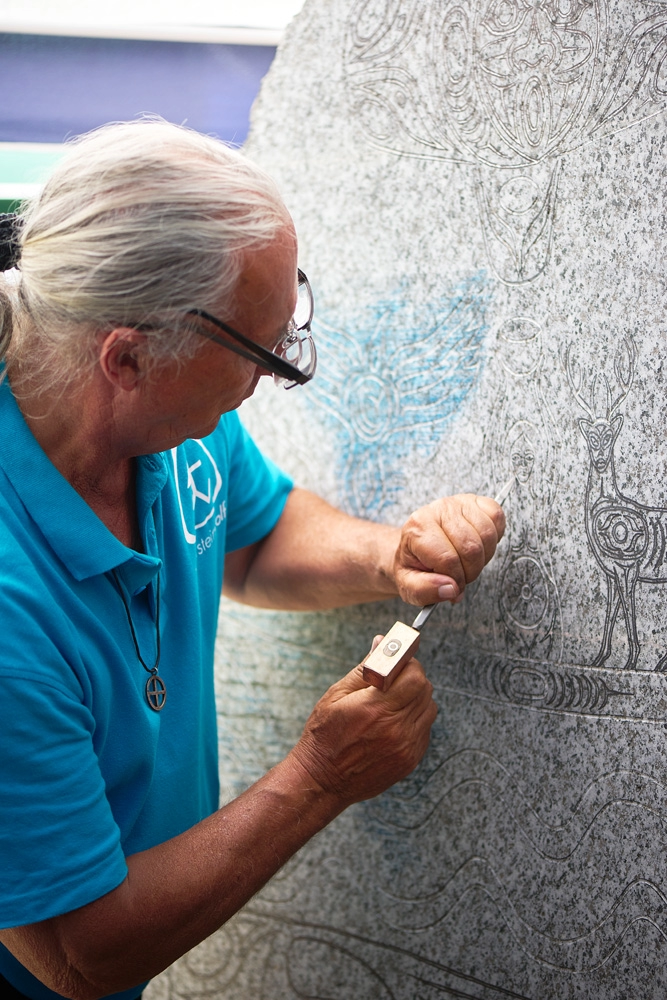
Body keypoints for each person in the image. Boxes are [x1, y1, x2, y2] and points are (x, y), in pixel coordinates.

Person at [0, 119, 504, 1000]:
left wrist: (388, 553)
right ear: (128, 357)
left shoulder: (170, 425)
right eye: (259, 349)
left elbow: (254, 536)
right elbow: (79, 953)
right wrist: (318, 778)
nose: (275, 372)